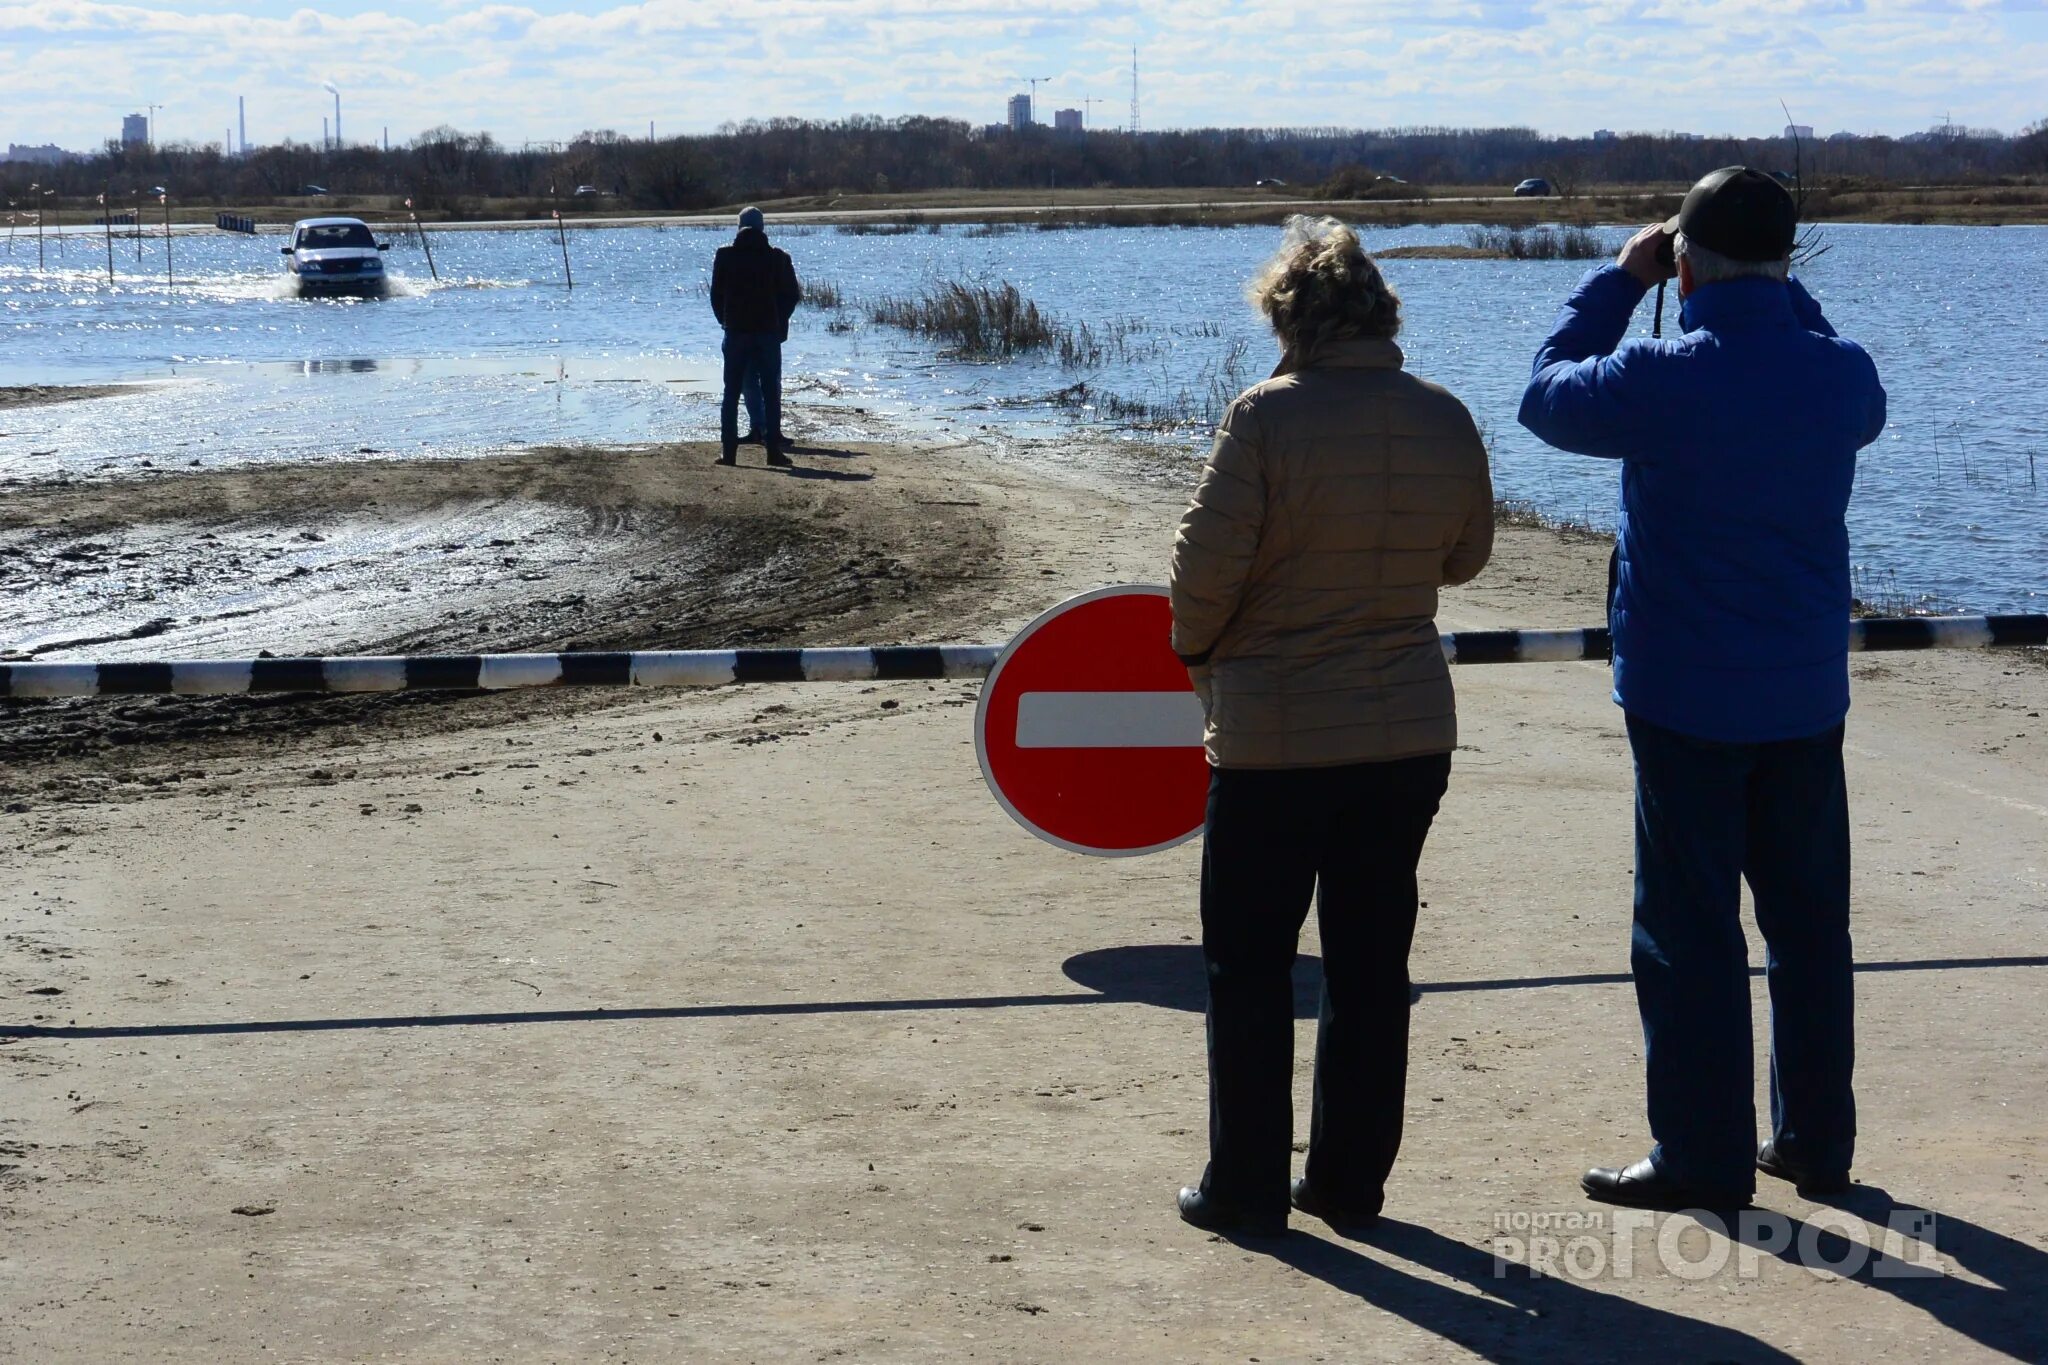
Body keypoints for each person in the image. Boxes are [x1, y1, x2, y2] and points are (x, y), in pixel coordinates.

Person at [1517, 167, 1887, 1210]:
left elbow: (1543, 393)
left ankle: (1702, 1157)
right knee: (1810, 925)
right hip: (1804, 691)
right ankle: (1815, 1142)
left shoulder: (1656, 376)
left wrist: (1619, 282)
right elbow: (1815, 358)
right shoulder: (1840, 375)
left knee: (1685, 929)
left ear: (1681, 262)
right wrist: (1767, 290)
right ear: (1788, 260)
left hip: (1682, 693)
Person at [1168, 216, 1495, 1236]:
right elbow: (1465, 557)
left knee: (1249, 963)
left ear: (1287, 319)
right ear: (1379, 314)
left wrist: (1195, 654)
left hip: (1272, 736)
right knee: (1369, 965)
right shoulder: (1442, 416)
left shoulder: (1261, 419)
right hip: (1403, 732)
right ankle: (1348, 1182)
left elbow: (1200, 577)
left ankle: (1247, 1186)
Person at [710, 206, 800, 467]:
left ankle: (729, 454)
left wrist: (725, 320)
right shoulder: (777, 258)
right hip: (767, 334)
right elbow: (791, 295)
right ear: (762, 228)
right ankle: (773, 452)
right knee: (771, 393)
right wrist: (777, 319)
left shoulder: (725, 256)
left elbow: (716, 295)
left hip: (736, 332)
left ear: (738, 228)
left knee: (731, 393)